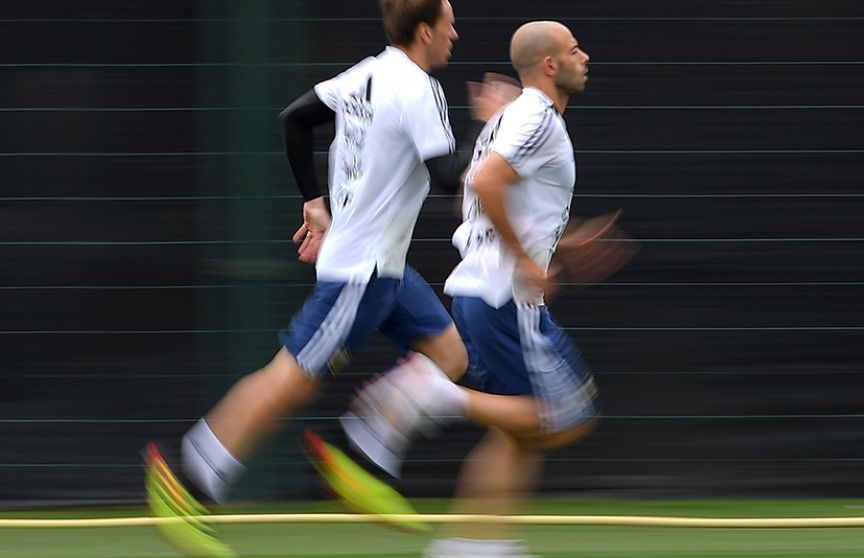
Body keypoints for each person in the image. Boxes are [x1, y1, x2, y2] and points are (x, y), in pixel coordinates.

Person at [142, 1, 507, 555]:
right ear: (427, 30)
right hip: (360, 273)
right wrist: (489, 125)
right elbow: (444, 177)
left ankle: (358, 450)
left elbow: (294, 119)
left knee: (450, 352)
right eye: (450, 23)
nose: (456, 33)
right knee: (290, 380)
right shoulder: (418, 88)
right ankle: (190, 477)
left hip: (385, 267)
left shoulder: (365, 73)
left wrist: (314, 202)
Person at [341, 20, 604, 558]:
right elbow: (484, 185)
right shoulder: (537, 118)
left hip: (481, 293)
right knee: (567, 416)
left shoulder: (510, 117)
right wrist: (529, 260)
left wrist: (561, 245)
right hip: (505, 298)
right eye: (574, 50)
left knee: (518, 431)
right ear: (549, 65)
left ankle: (473, 547)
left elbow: (471, 198)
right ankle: (434, 394)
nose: (585, 57)